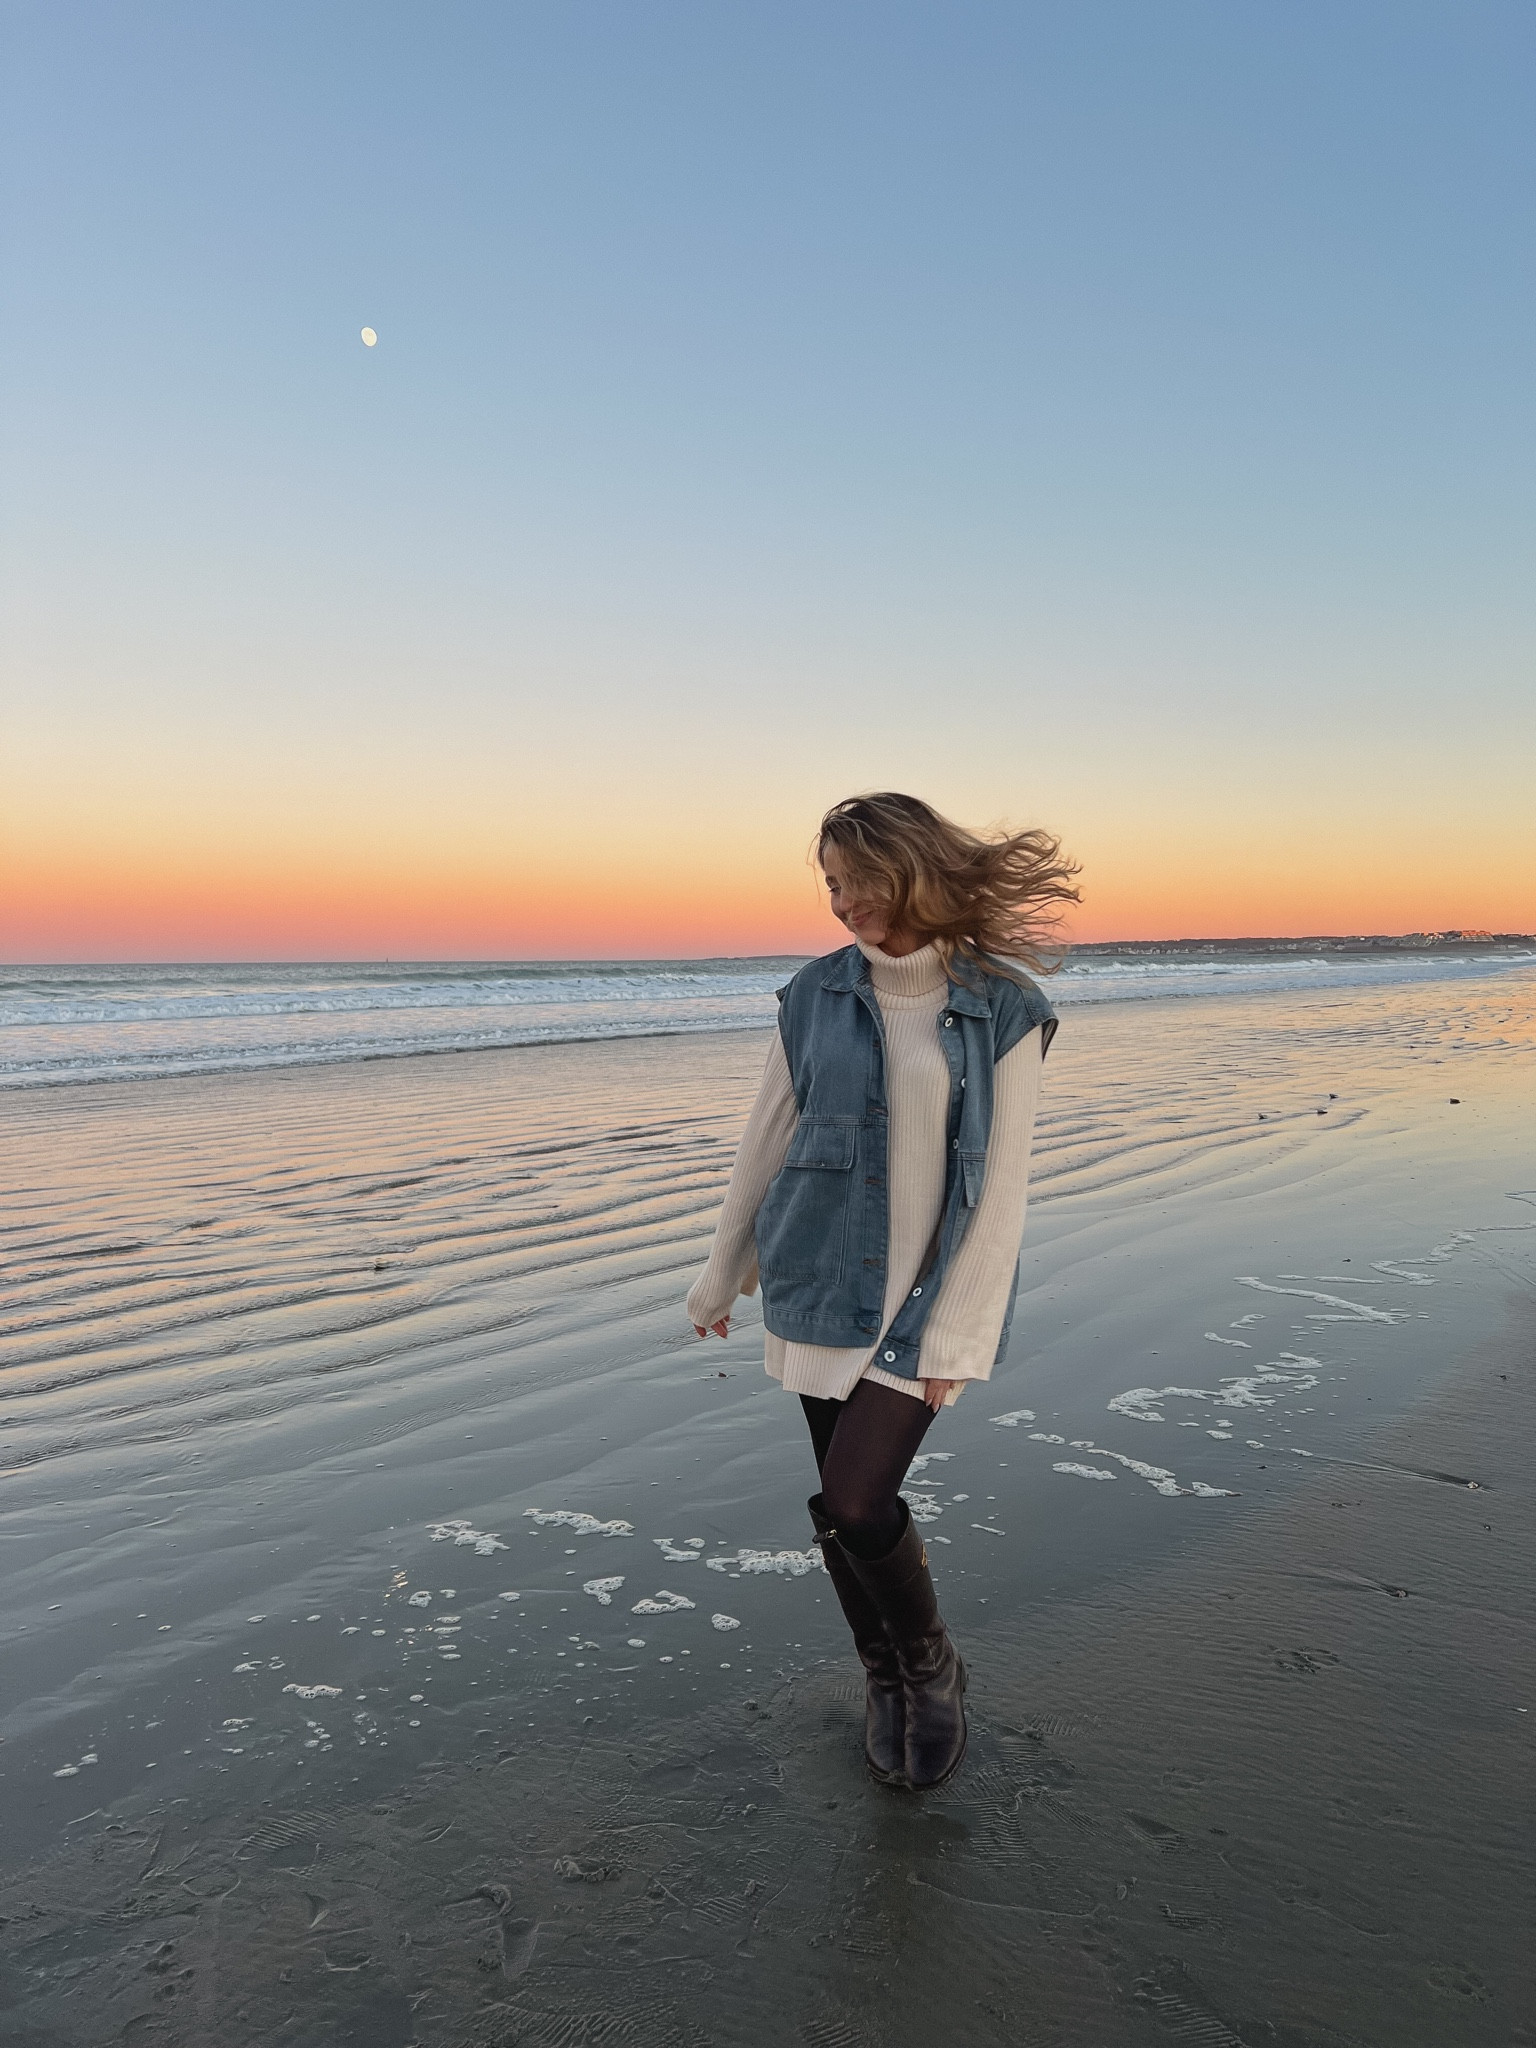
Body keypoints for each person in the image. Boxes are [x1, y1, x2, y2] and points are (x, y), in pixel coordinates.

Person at [686, 792, 1078, 1790]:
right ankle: (886, 1675)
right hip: (816, 1277)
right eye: (830, 884)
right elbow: (765, 1138)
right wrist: (721, 1268)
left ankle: (932, 1664)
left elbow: (1001, 1186)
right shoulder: (810, 994)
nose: (842, 902)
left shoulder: (1004, 1004)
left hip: (920, 1297)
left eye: (857, 881)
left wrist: (957, 1334)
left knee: (862, 1498)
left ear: (909, 870)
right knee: (836, 1502)